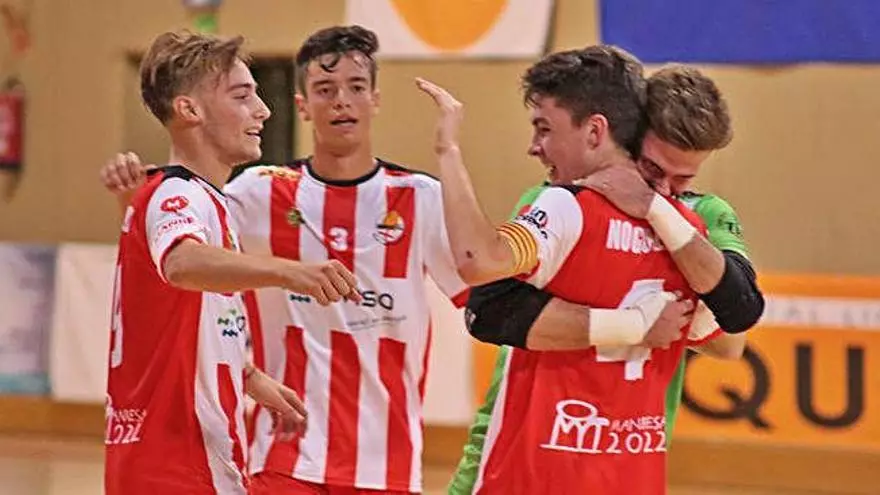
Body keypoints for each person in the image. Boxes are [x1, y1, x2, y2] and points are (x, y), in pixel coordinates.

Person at [101, 27, 695, 494]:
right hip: (276, 459)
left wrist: (626, 322)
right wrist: (144, 189)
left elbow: (494, 308)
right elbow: (179, 250)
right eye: (325, 89)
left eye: (356, 86)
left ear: (376, 99)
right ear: (305, 104)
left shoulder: (421, 198)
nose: (341, 101)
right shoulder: (252, 192)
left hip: (385, 463)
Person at [447, 64, 765, 494]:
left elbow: (732, 337)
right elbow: (487, 310)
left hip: (623, 456)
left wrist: (655, 210)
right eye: (653, 169)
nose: (667, 188)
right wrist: (634, 323)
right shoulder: (562, 201)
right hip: (518, 449)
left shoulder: (700, 216)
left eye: (683, 178)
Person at [104, 30, 359, 495]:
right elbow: (182, 263)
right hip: (176, 465)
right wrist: (290, 271)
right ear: (189, 110)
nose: (263, 110)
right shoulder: (178, 194)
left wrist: (249, 377)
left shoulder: (201, 200)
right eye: (242, 96)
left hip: (184, 460)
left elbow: (182, 320)